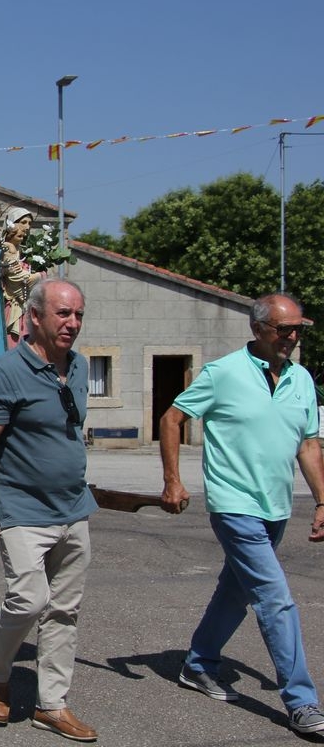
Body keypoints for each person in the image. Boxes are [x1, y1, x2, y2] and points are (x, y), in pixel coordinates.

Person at [159, 293, 324, 736]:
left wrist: (323, 500)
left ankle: (198, 664)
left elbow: (309, 445)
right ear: (258, 329)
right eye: (283, 329)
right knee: (275, 599)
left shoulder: (302, 380)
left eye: (297, 329)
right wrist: (173, 479)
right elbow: (172, 418)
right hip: (234, 506)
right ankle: (302, 701)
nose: (292, 337)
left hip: (276, 507)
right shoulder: (223, 373)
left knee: (236, 592)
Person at [0, 279, 98, 742]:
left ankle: (52, 704)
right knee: (29, 599)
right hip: (21, 508)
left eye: (79, 314)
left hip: (73, 508)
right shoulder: (7, 371)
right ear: (34, 318)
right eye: (63, 314)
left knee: (65, 610)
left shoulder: (79, 367)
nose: (73, 323)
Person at [0, 206, 45, 372]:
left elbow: (35, 277)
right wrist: (36, 276)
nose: (27, 227)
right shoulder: (1, 251)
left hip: (25, 309)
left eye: (29, 223)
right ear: (11, 225)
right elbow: (9, 279)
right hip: (7, 309)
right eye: (23, 222)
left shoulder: (27, 252)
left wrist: (37, 275)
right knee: (10, 346)